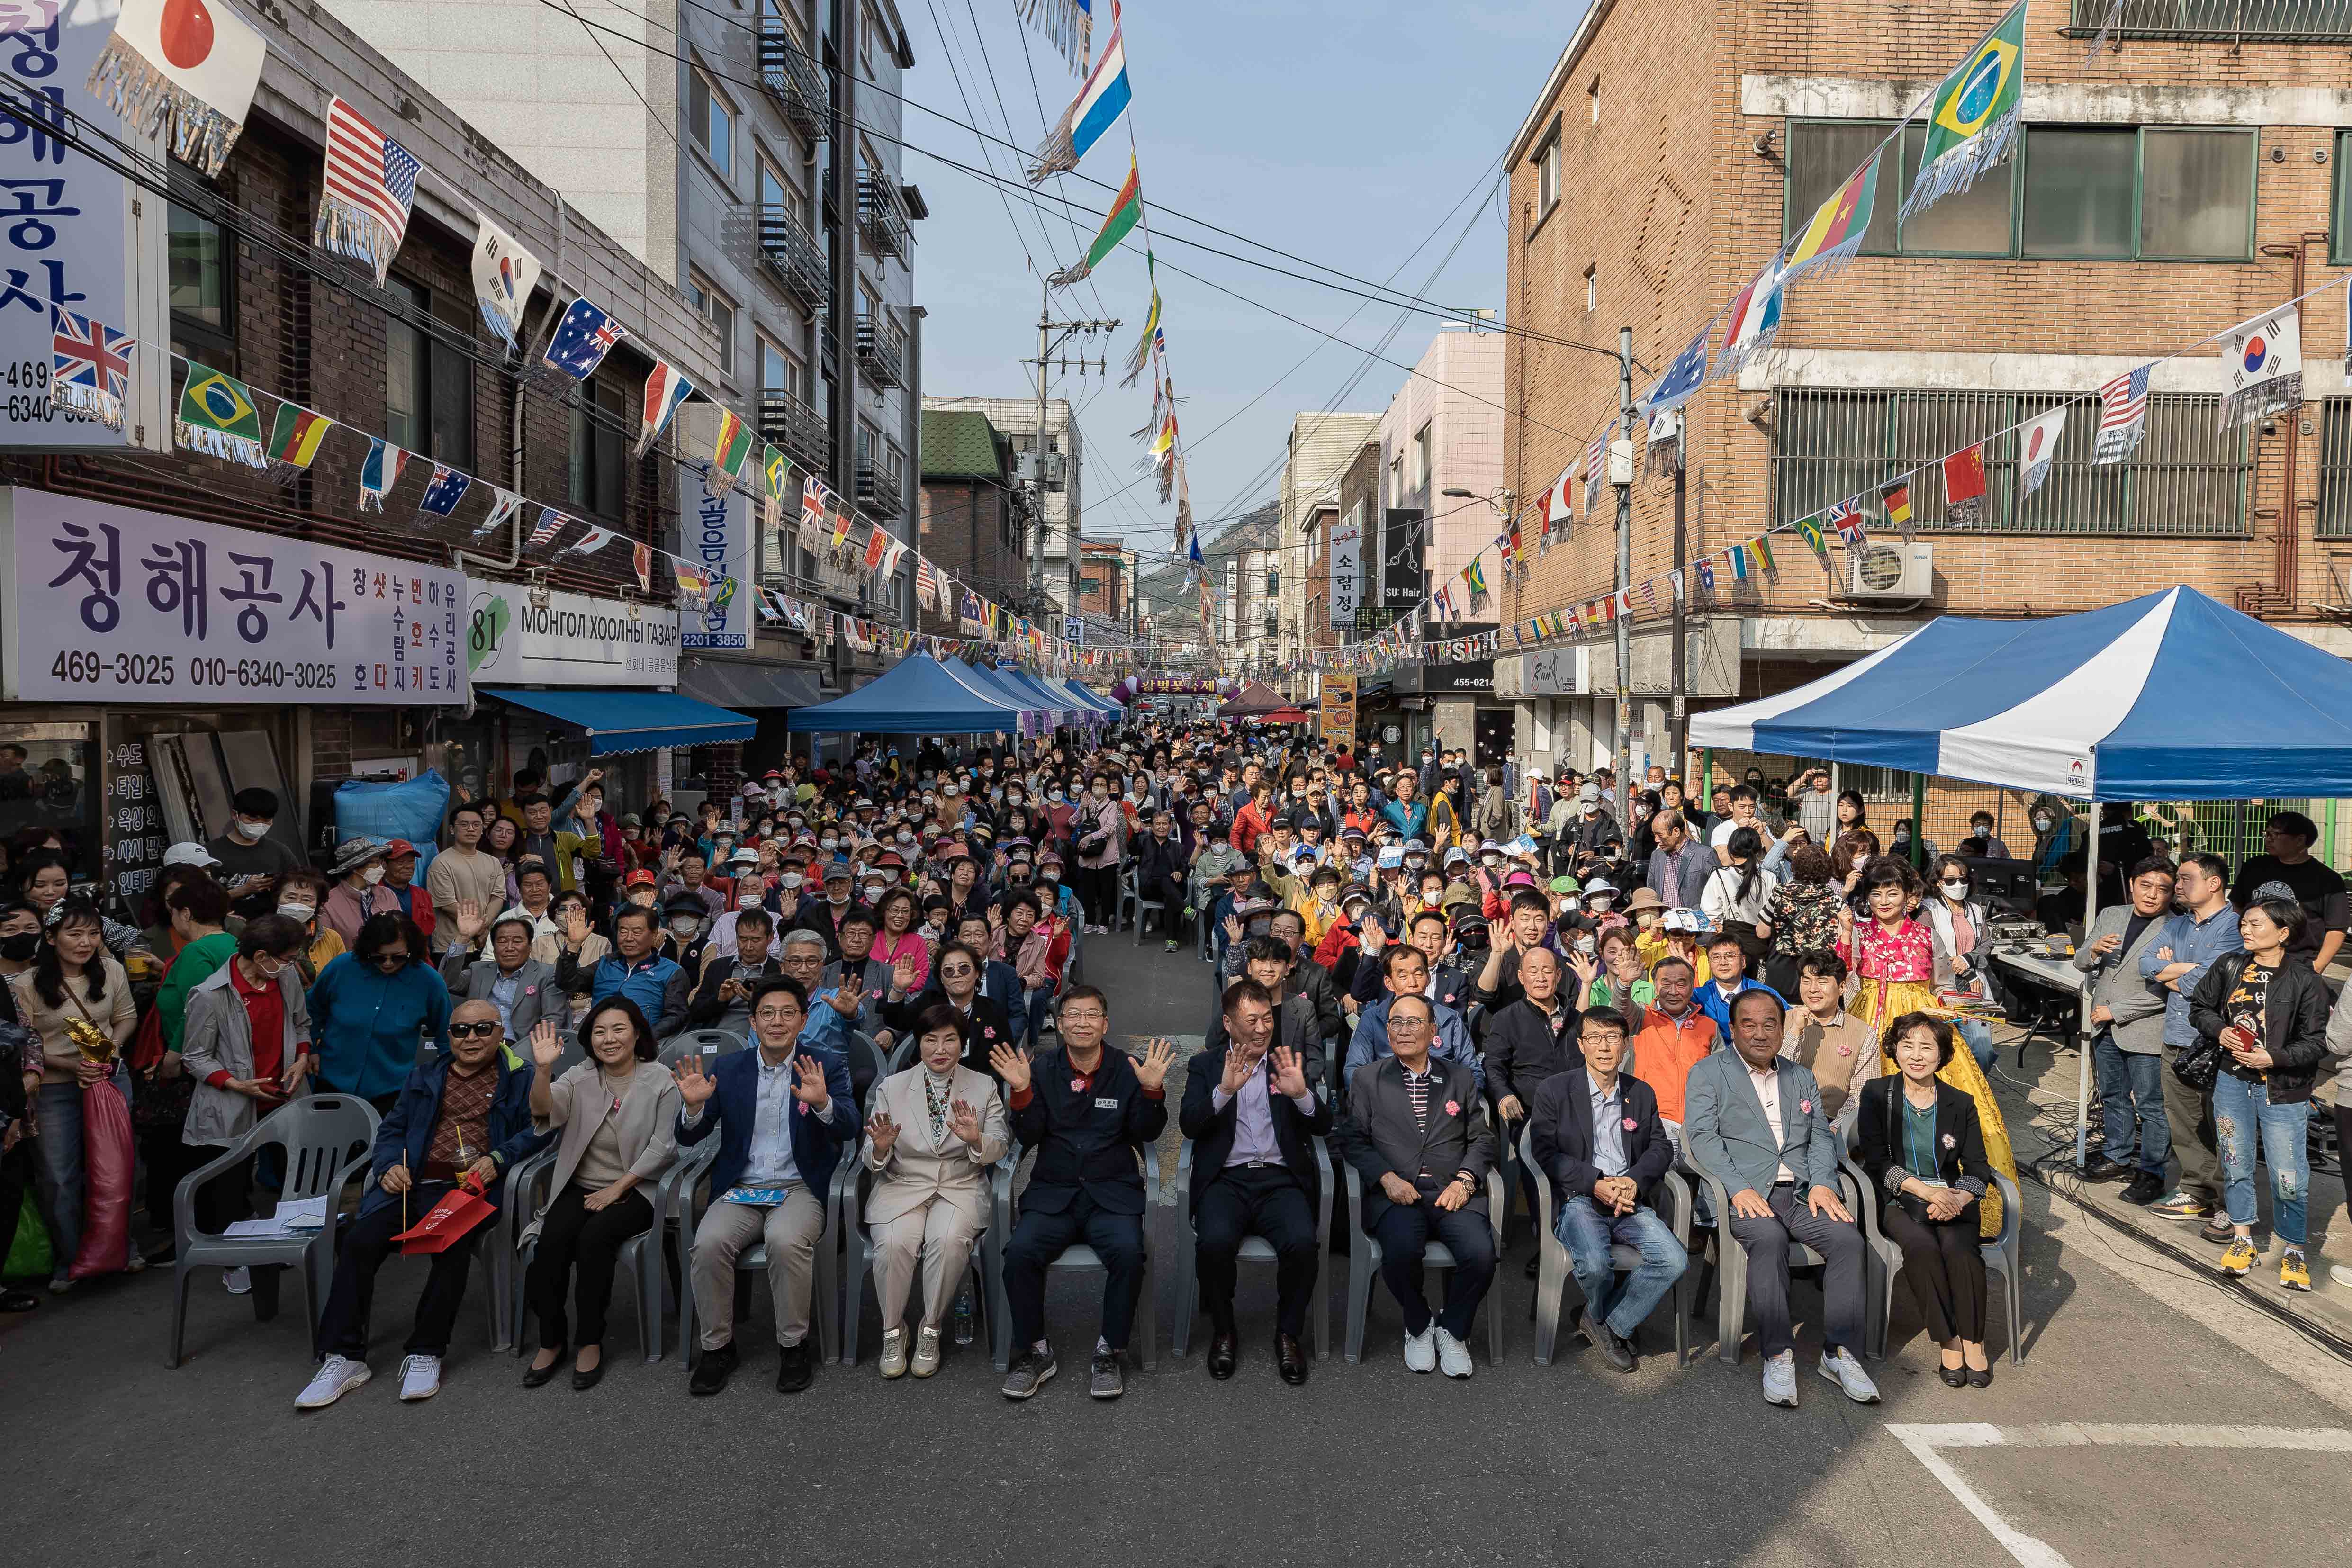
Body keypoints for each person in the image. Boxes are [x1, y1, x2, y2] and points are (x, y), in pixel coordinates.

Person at [296, 996, 544, 1409]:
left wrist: (498, 1160)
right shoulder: (425, 1076)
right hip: (414, 1184)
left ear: (501, 1033)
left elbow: (539, 1129)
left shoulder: (520, 1078)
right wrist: (390, 1164)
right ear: (449, 1036)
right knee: (358, 1242)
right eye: (461, 1030)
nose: (471, 1038)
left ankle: (426, 1350)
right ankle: (345, 1356)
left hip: (472, 1189)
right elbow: (392, 1129)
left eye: (483, 1028)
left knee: (450, 1247)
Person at [1684, 989, 1879, 1408]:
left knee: (1847, 1240)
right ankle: (1778, 1352)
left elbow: (1819, 1137)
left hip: (1802, 1192)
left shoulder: (1799, 1075)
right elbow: (1700, 1138)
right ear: (1732, 1029)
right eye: (1748, 1024)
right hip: (1748, 1192)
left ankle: (1839, 1352)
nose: (1759, 1033)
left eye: (1769, 1023)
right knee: (1768, 1240)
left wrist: (1825, 1181)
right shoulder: (1708, 1073)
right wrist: (1738, 1187)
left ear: (1781, 1028)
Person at [674, 976, 856, 1395]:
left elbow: (850, 1126)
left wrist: (823, 1103)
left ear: (803, 1020)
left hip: (799, 1187)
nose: (777, 1022)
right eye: (767, 1014)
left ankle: (793, 1346)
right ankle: (718, 1347)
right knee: (708, 1243)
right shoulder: (729, 1068)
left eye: (788, 1013)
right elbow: (689, 1137)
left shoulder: (823, 1063)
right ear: (752, 1023)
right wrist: (694, 1108)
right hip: (742, 1188)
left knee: (785, 1240)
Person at [992, 988, 1174, 1402]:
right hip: (1054, 1193)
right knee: (1019, 1254)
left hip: (1111, 1193)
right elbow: (1029, 1135)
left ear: (1105, 1024)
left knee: (1129, 1254)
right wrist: (1021, 1093)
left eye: (1092, 1015)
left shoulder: (1128, 1069)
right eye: (1072, 1015)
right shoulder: (1040, 1069)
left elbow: (1145, 1134)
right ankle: (1036, 1351)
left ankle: (1109, 1349)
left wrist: (1151, 1093)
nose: (1082, 1022)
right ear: (1059, 1024)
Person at [1838, 860, 2018, 1238]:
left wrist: (1955, 1009)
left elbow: (1940, 985)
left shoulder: (1926, 935)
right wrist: (1843, 930)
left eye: (1892, 893)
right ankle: (1871, 1198)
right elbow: (1842, 972)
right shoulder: (1859, 932)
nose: (1884, 900)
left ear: (1909, 897)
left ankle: (1938, 1188)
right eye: (1875, 893)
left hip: (1920, 1026)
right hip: (1869, 1026)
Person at [1333, 992, 1495, 1379]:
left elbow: (1483, 1138)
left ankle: (1453, 1330)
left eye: (1413, 1022)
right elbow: (1352, 1139)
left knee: (1481, 1255)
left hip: (1451, 1191)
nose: (1404, 1031)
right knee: (1401, 1251)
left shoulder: (1457, 1078)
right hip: (1398, 1195)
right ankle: (1419, 1323)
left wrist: (1465, 1180)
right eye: (1396, 1023)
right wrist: (1386, 1178)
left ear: (1433, 1031)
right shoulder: (1368, 1079)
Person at [521, 997, 681, 1389]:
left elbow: (664, 1147)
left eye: (618, 1029)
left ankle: (590, 1339)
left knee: (594, 1240)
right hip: (583, 1185)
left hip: (640, 1188)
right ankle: (552, 1339)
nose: (608, 1039)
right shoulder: (579, 1075)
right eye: (599, 1031)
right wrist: (543, 1071)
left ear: (638, 1033)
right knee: (551, 1243)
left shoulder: (661, 1080)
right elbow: (546, 1110)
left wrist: (618, 1188)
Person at [1178, 979, 1329, 1385]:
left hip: (1280, 1179)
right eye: (1251, 1021)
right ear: (1228, 1024)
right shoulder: (1205, 1066)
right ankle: (1224, 1330)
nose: (1262, 1029)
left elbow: (1324, 1125)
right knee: (1213, 1243)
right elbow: (1189, 1126)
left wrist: (1302, 1097)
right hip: (1226, 1180)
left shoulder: (1287, 1061)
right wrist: (1224, 1091)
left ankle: (1289, 1333)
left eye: (1267, 1019)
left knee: (1301, 1243)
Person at [1530, 1006, 1685, 1374]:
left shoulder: (1640, 1092)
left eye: (1612, 1037)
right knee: (1596, 1265)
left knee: (1674, 1261)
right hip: (1580, 1198)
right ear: (1581, 1045)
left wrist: (1632, 1180)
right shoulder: (1555, 1090)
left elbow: (1661, 1147)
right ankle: (1612, 1321)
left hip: (1629, 1199)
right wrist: (1595, 1183)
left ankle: (1605, 1322)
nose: (1604, 1047)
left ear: (1625, 1044)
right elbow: (1544, 1151)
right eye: (1594, 1038)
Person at [859, 1002, 1008, 1379]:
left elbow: (1000, 1144)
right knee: (893, 1244)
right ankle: (893, 1330)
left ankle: (931, 1327)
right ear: (918, 1045)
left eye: (949, 1040)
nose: (940, 1050)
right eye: (930, 1041)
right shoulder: (892, 1088)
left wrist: (977, 1139)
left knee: (947, 1239)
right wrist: (879, 1147)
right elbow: (870, 1158)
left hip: (959, 1185)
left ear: (963, 1044)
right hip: (903, 1184)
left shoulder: (983, 1084)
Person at [2188, 897, 2329, 1291]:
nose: (2246, 930)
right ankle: (2242, 1240)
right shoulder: (2229, 966)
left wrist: (2276, 1057)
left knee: (2289, 1177)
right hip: (2232, 1083)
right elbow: (2199, 1007)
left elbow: (2317, 1042)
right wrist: (2220, 1030)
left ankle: (2294, 1251)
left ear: (2283, 933)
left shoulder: (2306, 981)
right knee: (2235, 1162)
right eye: (2245, 923)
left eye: (2256, 924)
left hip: (2283, 1091)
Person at [1856, 1013, 1995, 1387]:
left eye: (1926, 1047)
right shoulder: (1875, 1094)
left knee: (1961, 1252)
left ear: (1941, 1055)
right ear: (1894, 1050)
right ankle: (1948, 1341)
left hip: (1953, 1199)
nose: (1915, 1055)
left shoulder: (1959, 1102)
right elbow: (1877, 1161)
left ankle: (1973, 1341)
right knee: (1921, 1249)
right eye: (1907, 1046)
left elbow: (1979, 1166)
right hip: (1899, 1197)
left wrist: (1957, 1197)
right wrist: (1926, 1192)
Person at [180, 915, 314, 1291]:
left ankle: (292, 1246)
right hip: (234, 1101)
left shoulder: (284, 980)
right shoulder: (210, 995)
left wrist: (302, 1058)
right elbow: (196, 1057)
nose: (292, 965)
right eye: (286, 958)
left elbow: (302, 1025)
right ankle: (237, 1261)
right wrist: (237, 1084)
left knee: (297, 1178)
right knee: (232, 1186)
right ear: (261, 956)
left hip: (285, 1096)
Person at [11, 898, 139, 1288]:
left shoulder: (113, 969)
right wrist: (71, 1065)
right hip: (54, 1088)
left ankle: (122, 1248)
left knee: (115, 1169)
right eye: (74, 933)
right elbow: (24, 1042)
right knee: (59, 1177)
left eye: (93, 933)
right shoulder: (25, 985)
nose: (85, 942)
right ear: (51, 938)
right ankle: (71, 1259)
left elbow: (126, 1018)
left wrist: (109, 1052)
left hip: (107, 1078)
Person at [2140, 851, 2243, 1229]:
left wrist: (2174, 975)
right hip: (2176, 1036)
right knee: (2183, 1119)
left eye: (2185, 879)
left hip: (2216, 1041)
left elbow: (2211, 981)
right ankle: (2195, 1189)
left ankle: (2230, 1200)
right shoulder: (2177, 925)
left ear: (2213, 883)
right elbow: (2146, 964)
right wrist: (2186, 972)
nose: (2176, 886)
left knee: (2224, 1123)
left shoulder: (2234, 926)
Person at [2072, 857, 2175, 1203]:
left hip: (2144, 1028)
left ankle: (2152, 1172)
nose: (2151, 895)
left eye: (2161, 889)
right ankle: (2116, 1156)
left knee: (2150, 1104)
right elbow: (2080, 960)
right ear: (2131, 884)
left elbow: (2164, 989)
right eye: (2145, 885)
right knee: (2113, 1097)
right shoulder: (2111, 915)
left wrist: (2115, 1012)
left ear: (2171, 893)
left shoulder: (2176, 928)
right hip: (2105, 1027)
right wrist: (2094, 951)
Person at [306, 914, 452, 1109]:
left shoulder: (429, 982)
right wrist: (311, 1050)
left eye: (398, 957)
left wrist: (444, 1081)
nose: (388, 963)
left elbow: (447, 1037)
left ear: (412, 951)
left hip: (391, 1091)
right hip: (331, 1081)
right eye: (379, 957)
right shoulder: (341, 968)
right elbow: (311, 1012)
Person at [2230, 810, 2349, 974]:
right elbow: (2237, 906)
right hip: (2252, 957)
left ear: (2300, 840)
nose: (2269, 839)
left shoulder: (2327, 880)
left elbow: (2337, 928)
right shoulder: (2254, 867)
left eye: (2276, 834)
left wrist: (2318, 966)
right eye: (2267, 833)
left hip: (2299, 962)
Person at [552, 904, 688, 1039]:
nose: (629, 938)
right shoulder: (605, 964)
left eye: (637, 932)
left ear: (654, 934)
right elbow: (566, 983)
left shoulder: (671, 972)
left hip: (644, 1047)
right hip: (598, 1043)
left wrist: (644, 1039)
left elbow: (676, 1016)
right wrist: (574, 945)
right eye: (623, 931)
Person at [1780, 949, 1877, 1137]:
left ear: (1841, 988)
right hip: (1782, 1120)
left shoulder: (1863, 1033)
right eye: (1806, 981)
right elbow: (1773, 1074)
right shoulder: (1782, 1021)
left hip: (1831, 1123)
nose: (1813, 989)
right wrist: (1795, 1032)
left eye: (1822, 982)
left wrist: (1835, 1129)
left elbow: (1861, 1093)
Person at [438, 902, 565, 1045]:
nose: (509, 948)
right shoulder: (479, 970)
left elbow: (553, 1019)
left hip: (521, 1050)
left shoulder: (546, 974)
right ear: (494, 946)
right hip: (476, 1044)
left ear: (529, 946)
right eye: (502, 942)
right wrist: (463, 938)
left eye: (517, 941)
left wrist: (531, 1051)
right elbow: (447, 983)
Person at [153, 877, 239, 1055]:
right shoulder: (234, 942)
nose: (173, 919)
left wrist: (173, 1057)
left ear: (186, 914)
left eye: (174, 913)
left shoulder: (196, 951)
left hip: (198, 1056)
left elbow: (195, 1011)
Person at [685, 906, 784, 1040]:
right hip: (714, 1039)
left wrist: (756, 1001)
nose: (748, 947)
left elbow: (783, 1016)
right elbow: (696, 1013)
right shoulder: (718, 967)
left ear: (770, 938)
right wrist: (720, 1000)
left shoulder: (779, 971)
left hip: (757, 1042)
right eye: (743, 939)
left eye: (756, 940)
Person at [426, 802, 509, 955]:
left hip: (486, 945)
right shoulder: (441, 863)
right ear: (452, 829)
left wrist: (485, 925)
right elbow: (447, 905)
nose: (471, 829)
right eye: (464, 825)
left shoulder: (493, 862)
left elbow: (498, 898)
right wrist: (478, 930)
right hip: (451, 945)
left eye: (476, 825)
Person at [207, 787, 306, 915]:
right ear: (234, 815)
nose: (259, 825)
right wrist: (245, 889)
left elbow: (301, 886)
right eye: (252, 820)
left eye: (266, 821)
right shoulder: (210, 853)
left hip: (273, 925)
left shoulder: (280, 851)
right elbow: (202, 901)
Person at [1694, 929, 1782, 1036]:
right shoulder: (1699, 996)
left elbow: (1790, 1017)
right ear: (1709, 963)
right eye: (1716, 957)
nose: (1723, 963)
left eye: (1730, 956)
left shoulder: (1764, 994)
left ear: (1743, 961)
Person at [319, 837, 401, 950]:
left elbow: (401, 931)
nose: (381, 867)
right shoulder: (328, 903)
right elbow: (325, 948)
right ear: (356, 868)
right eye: (376, 863)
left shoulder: (387, 894)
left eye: (381, 862)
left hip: (389, 964)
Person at [1644, 811, 1710, 910]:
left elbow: (1717, 893)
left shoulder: (1705, 855)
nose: (1656, 840)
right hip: (1664, 922)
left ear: (1676, 832)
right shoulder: (1657, 856)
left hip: (1695, 921)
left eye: (1660, 835)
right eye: (1654, 834)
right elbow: (1652, 889)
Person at [380, 841, 435, 947]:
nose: (408, 867)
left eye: (411, 861)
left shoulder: (423, 895)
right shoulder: (373, 894)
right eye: (400, 862)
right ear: (384, 864)